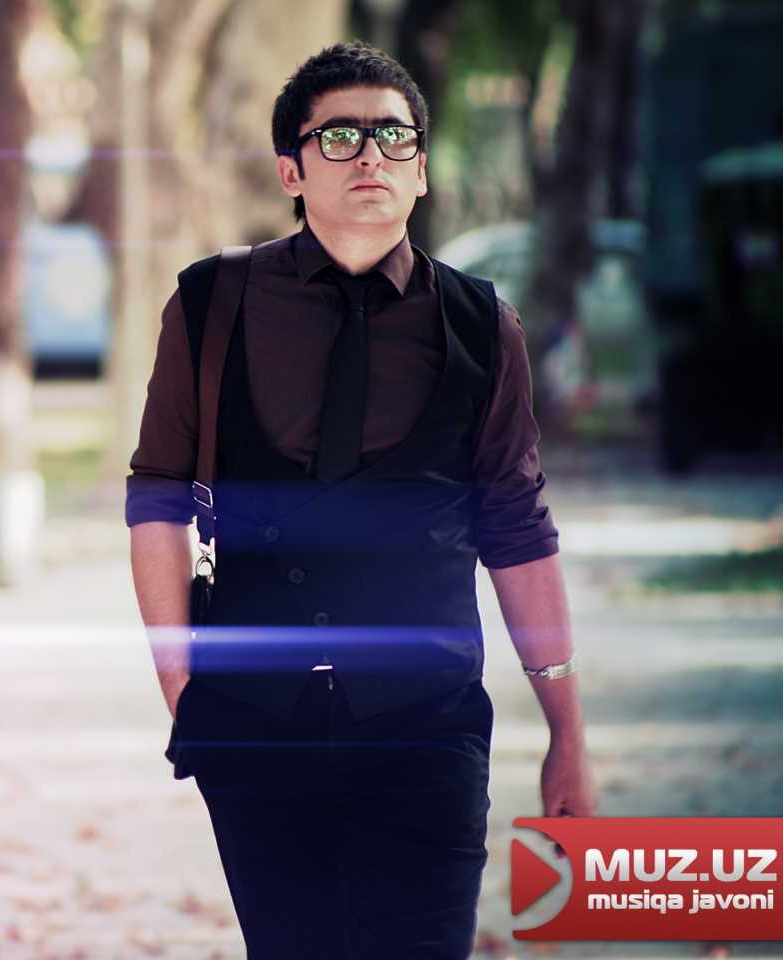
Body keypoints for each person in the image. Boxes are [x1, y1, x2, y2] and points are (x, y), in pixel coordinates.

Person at [126, 42, 597, 958]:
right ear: (291, 172)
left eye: (394, 136)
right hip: (254, 730)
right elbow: (157, 502)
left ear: (421, 170)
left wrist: (567, 731)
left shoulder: (482, 325)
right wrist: (184, 690)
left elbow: (517, 528)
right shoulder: (211, 303)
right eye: (340, 137)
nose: (371, 154)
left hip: (428, 727)